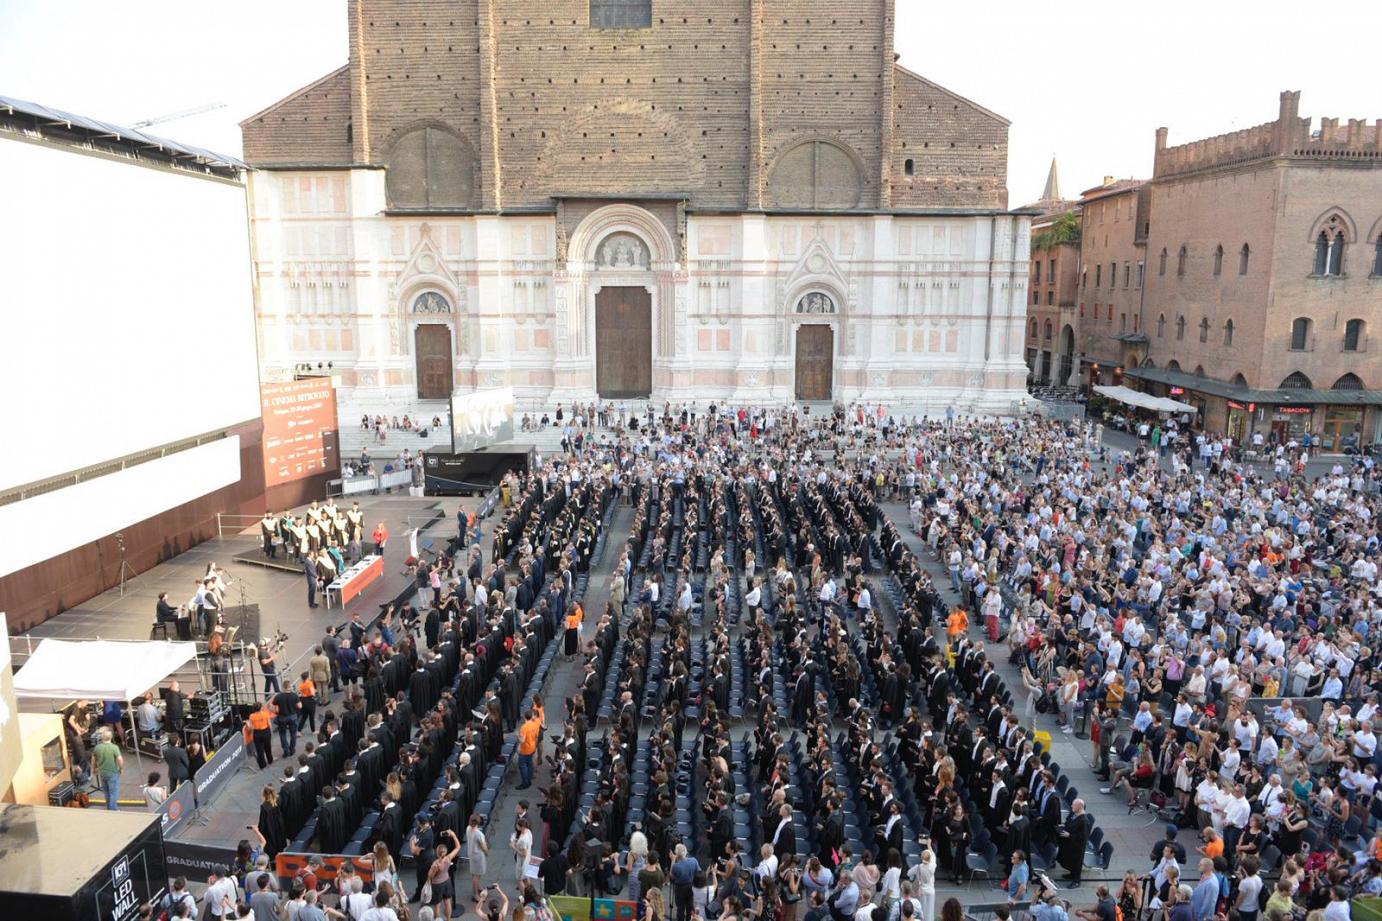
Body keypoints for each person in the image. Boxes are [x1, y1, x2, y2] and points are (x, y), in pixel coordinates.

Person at [92, 727, 124, 810]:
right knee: (113, 792)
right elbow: (120, 759)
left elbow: (93, 759)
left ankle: (108, 806)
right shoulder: (114, 747)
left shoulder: (97, 747)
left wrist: (94, 768)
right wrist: (121, 768)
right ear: (111, 737)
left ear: (102, 737)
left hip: (102, 773)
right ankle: (113, 809)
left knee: (106, 791)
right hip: (113, 773)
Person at [468, 814, 490, 904]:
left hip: (471, 854)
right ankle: (475, 894)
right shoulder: (479, 834)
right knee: (477, 875)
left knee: (474, 873)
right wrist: (487, 852)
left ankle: (478, 887)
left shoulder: (468, 829)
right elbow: (483, 847)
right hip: (478, 856)